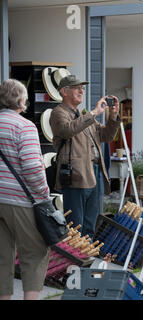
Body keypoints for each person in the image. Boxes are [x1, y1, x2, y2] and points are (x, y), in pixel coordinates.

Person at [50, 74, 120, 239]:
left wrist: (113, 115)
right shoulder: (58, 112)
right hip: (76, 174)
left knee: (90, 224)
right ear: (64, 91)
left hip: (94, 172)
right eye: (76, 87)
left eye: (82, 87)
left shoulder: (83, 114)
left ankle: (86, 261)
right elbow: (67, 130)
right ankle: (74, 262)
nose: (81, 90)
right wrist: (94, 112)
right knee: (76, 225)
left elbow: (106, 135)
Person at [0, 79, 50, 300]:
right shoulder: (25, 126)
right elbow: (32, 167)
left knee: (2, 257)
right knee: (34, 253)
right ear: (21, 100)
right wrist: (44, 194)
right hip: (20, 201)